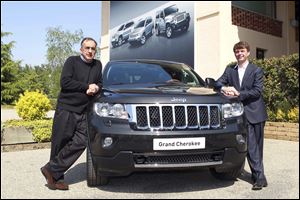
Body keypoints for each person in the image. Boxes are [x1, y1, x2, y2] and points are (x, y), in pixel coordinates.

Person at [41, 37, 103, 190]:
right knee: (60, 144)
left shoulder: (98, 64)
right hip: (66, 109)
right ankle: (55, 179)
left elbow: (100, 82)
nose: (90, 51)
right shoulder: (72, 61)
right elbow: (65, 82)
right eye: (87, 48)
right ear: (81, 49)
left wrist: (97, 88)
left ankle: (51, 169)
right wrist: (86, 87)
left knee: (83, 140)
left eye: (93, 48)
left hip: (83, 111)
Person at [216, 41, 268, 190]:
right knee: (251, 146)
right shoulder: (230, 70)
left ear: (248, 53)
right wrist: (225, 88)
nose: (239, 54)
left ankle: (259, 175)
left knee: (257, 147)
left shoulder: (256, 70)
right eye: (237, 52)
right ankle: (259, 178)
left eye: (242, 51)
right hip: (238, 115)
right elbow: (218, 83)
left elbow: (257, 91)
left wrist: (238, 93)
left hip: (255, 113)